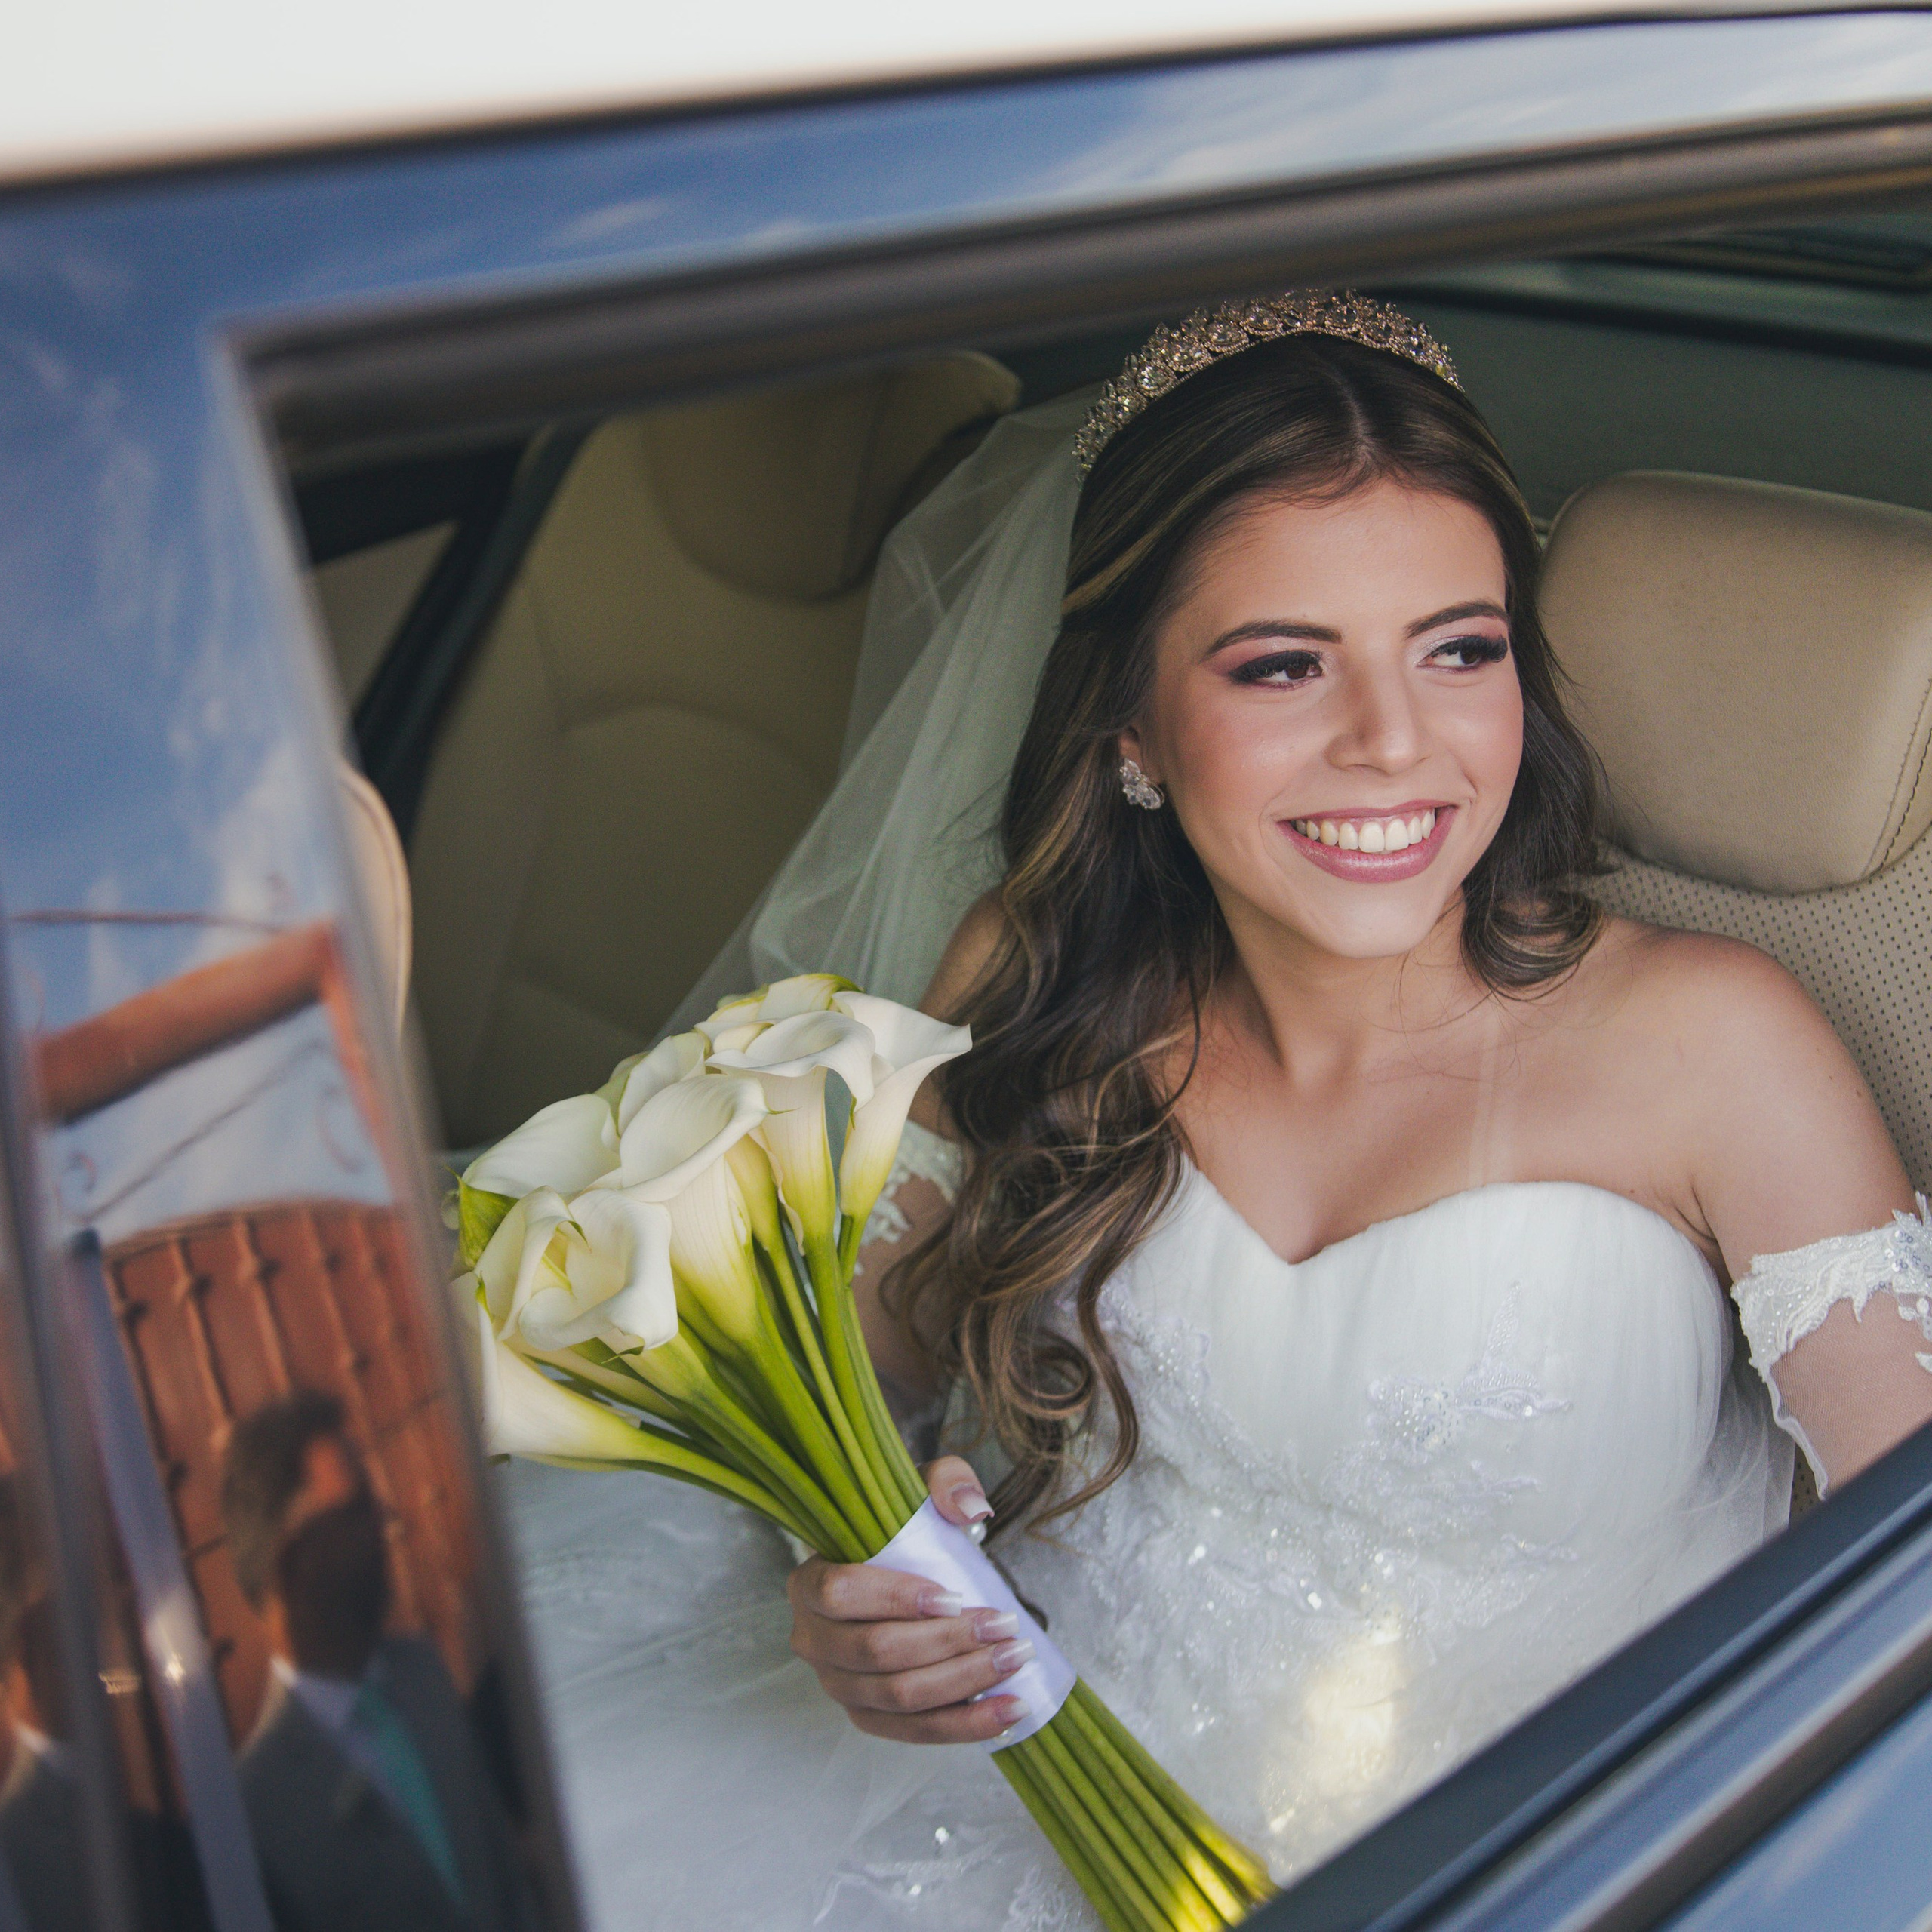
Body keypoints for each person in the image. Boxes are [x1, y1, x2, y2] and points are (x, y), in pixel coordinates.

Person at [504, 293, 1932, 1930]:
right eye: (1278, 664)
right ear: (1128, 726)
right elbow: (844, 1394)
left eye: (1456, 648)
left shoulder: (1706, 1042)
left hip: (1549, 1859)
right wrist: (844, 1587)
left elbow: (1900, 1600)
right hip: (1008, 1795)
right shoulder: (1031, 976)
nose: (1392, 743)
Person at [223, 1392, 534, 1932]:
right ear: (287, 1558)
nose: (384, 1527)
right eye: (354, 1512)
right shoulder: (259, 1808)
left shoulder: (422, 1676)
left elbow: (508, 1880)